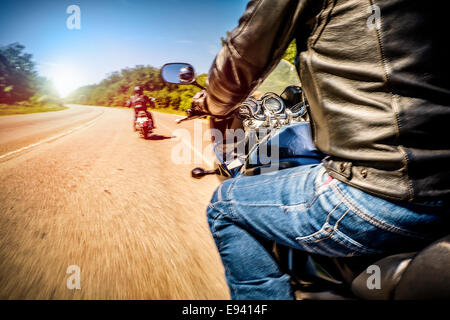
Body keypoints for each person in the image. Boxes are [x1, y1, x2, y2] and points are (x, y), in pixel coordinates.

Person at [188, 0, 450, 299]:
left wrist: (211, 103)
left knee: (225, 204)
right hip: (440, 190)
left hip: (380, 190)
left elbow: (244, 54)